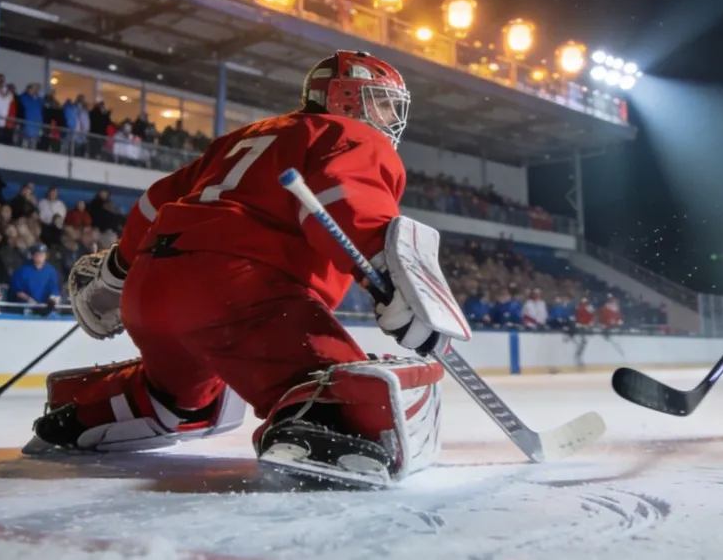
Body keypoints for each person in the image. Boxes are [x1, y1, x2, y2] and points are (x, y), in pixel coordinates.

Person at [26, 50, 472, 488]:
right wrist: (400, 281)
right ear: (346, 97)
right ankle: (321, 426)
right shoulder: (350, 134)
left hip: (151, 287)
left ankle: (86, 412)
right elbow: (349, 201)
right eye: (382, 101)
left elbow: (154, 202)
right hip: (240, 292)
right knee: (329, 388)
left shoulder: (245, 136)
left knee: (183, 396)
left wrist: (114, 275)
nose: (391, 115)